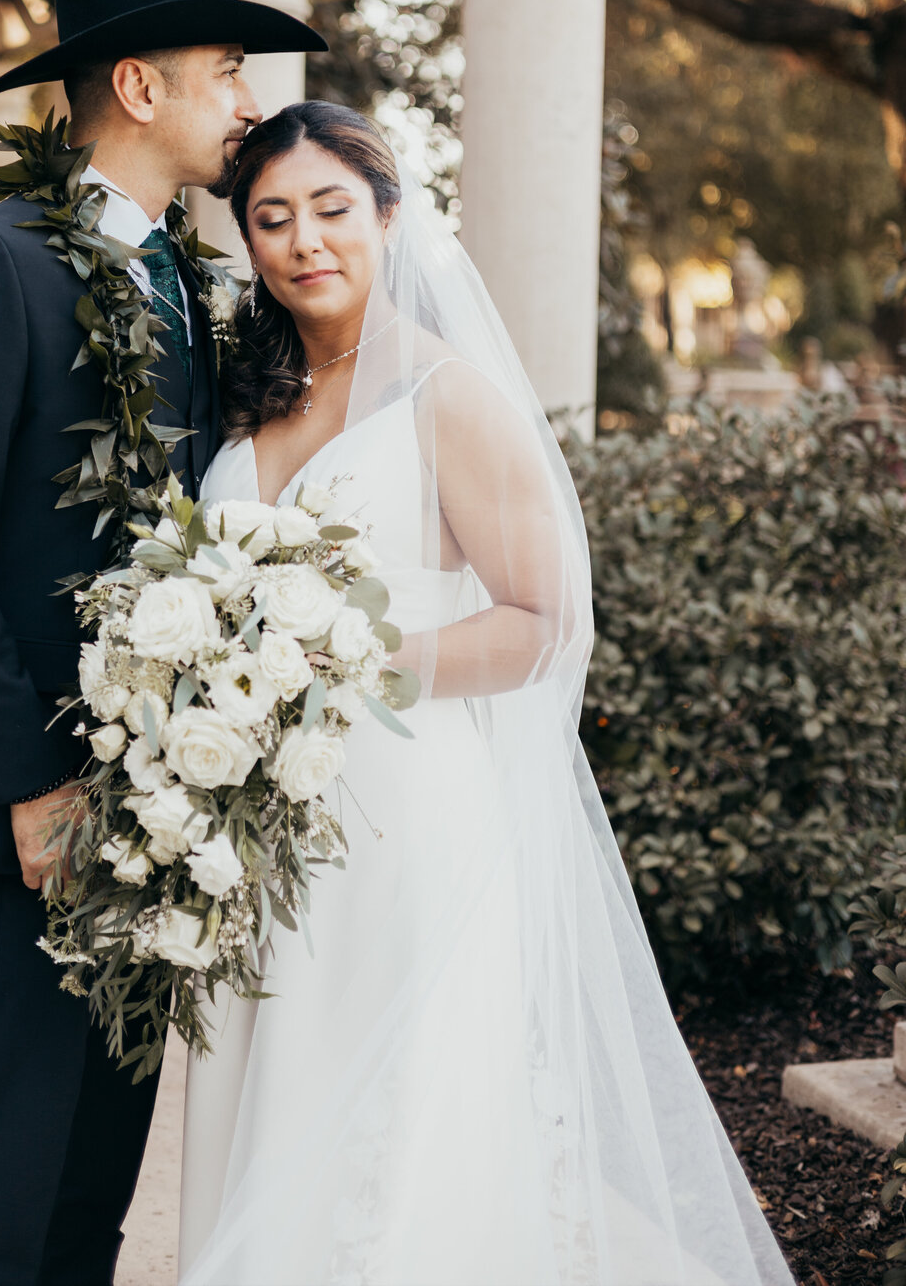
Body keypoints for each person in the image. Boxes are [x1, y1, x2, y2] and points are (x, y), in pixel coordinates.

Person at [178, 101, 794, 1286]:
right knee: (269, 1087)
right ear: (247, 241)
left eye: (331, 208)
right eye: (271, 217)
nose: (305, 239)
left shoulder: (446, 394)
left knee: (394, 1118)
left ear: (391, 215)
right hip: (258, 820)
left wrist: (348, 659)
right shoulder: (254, 390)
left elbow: (544, 620)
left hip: (404, 809)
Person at [0, 0, 325, 1286]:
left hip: (159, 805)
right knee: (8, 1173)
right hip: (35, 809)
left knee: (96, 1180)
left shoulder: (184, 272)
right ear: (137, 84)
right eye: (226, 69)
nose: (248, 98)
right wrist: (30, 783)